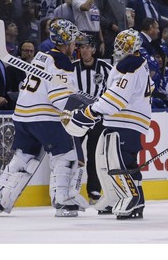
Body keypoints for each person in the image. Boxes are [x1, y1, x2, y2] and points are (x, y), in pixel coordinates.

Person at [0, 19, 89, 218]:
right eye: (73, 42)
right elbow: (59, 97)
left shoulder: (42, 56)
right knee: (66, 155)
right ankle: (63, 200)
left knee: (24, 157)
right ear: (66, 41)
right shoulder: (62, 61)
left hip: (23, 116)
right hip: (45, 117)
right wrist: (78, 114)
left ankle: (0, 197)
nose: (75, 46)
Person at [63, 28, 152, 220]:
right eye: (120, 42)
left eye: (126, 44)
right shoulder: (135, 62)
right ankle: (117, 196)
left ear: (135, 46)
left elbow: (117, 96)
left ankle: (130, 197)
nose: (121, 47)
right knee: (107, 157)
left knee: (117, 159)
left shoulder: (131, 64)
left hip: (127, 120)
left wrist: (92, 111)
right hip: (124, 119)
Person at [71, 34, 112, 206]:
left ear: (94, 49)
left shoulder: (106, 68)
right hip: (76, 117)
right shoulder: (71, 68)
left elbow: (112, 90)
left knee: (95, 155)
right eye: (82, 47)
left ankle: (94, 190)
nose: (85, 50)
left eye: (88, 47)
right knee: (72, 154)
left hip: (97, 118)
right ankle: (69, 189)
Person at [6, 40, 35, 108]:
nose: (29, 53)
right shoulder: (11, 69)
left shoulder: (37, 69)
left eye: (31, 51)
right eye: (26, 51)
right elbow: (9, 92)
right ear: (20, 51)